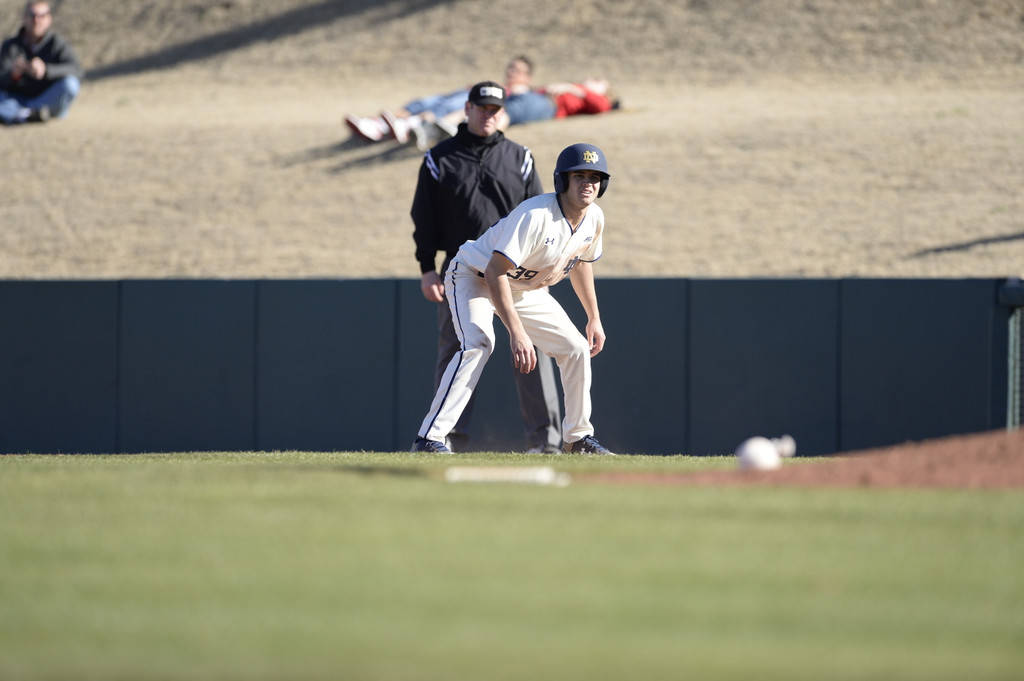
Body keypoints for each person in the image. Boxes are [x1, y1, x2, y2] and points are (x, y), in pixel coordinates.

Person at [411, 142, 615, 455]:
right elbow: (494, 271)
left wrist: (594, 317)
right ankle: (429, 438)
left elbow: (581, 263)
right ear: (562, 180)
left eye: (595, 177)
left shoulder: (594, 218)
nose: (588, 183)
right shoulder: (536, 215)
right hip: (474, 276)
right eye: (579, 176)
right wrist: (517, 332)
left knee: (575, 348)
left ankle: (577, 439)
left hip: (522, 287)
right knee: (479, 344)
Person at [411, 81, 563, 454]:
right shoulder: (439, 158)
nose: (488, 114)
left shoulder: (519, 157)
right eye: (482, 107)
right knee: (460, 351)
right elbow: (424, 217)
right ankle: (445, 438)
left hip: (515, 272)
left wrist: (540, 271)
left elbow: (541, 216)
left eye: (495, 109)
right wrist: (427, 267)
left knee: (532, 349)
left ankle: (545, 441)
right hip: (461, 271)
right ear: (467, 109)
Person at [0, 1, 82, 125]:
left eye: (42, 16)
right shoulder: (11, 45)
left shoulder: (58, 44)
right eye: (32, 15)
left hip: (46, 100)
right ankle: (26, 114)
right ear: (24, 18)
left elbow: (76, 69)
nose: (36, 20)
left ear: (49, 19)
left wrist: (46, 70)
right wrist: (13, 74)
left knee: (70, 84)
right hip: (16, 100)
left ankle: (22, 115)